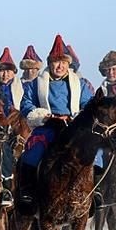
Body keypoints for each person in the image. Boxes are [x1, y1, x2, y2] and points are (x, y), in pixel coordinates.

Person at [17, 34, 94, 213]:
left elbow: (88, 105)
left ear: (68, 64)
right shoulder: (36, 84)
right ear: (49, 63)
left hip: (73, 128)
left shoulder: (79, 84)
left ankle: (93, 193)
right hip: (48, 126)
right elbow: (26, 104)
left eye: (63, 62)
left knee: (94, 153)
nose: (59, 66)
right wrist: (44, 116)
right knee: (33, 152)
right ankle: (28, 191)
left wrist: (77, 117)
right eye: (56, 62)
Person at [0, 47, 24, 207]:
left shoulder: (22, 88)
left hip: (19, 127)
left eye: (9, 71)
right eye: (2, 71)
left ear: (14, 73)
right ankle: (5, 185)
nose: (5, 75)